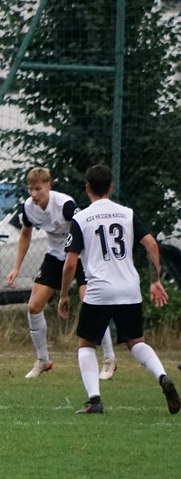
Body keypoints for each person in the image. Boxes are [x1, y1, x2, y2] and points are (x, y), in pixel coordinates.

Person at [58, 164, 179, 415]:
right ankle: (162, 376)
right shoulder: (127, 213)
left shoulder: (81, 218)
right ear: (111, 188)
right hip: (129, 288)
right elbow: (151, 244)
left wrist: (63, 295)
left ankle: (94, 400)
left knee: (86, 345)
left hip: (99, 290)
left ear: (87, 188)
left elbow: (70, 263)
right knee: (136, 342)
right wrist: (155, 280)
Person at [6, 167, 116, 379]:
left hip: (81, 254)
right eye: (30, 189)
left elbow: (85, 227)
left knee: (90, 302)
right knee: (33, 307)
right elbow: (25, 235)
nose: (34, 194)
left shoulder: (65, 205)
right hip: (55, 255)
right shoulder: (28, 208)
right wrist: (16, 267)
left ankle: (109, 359)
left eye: (38, 189)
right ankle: (43, 360)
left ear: (48, 186)